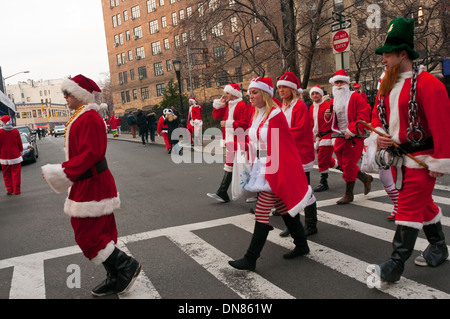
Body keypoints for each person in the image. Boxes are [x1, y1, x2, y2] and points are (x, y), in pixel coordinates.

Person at [41, 74, 141, 297]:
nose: (65, 97)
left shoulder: (88, 118)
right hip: (88, 181)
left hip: (92, 182)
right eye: (64, 93)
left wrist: (61, 172)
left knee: (88, 234)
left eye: (68, 93)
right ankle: (115, 276)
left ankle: (126, 266)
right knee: (101, 231)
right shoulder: (82, 116)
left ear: (80, 94)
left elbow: (92, 154)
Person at [366, 17, 449, 284]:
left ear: (403, 54)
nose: (383, 60)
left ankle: (394, 264)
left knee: (408, 208)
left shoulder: (429, 84)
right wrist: (380, 137)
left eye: (387, 55)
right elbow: (377, 120)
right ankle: (438, 246)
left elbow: (443, 125)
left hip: (421, 160)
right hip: (398, 159)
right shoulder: (385, 85)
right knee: (421, 206)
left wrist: (439, 162)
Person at [228, 77, 312, 271]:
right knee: (283, 207)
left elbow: (285, 146)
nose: (251, 97)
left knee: (261, 211)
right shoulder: (257, 115)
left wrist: (276, 170)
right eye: (250, 93)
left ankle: (250, 258)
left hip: (275, 167)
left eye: (255, 92)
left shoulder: (275, 115)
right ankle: (302, 244)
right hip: (263, 164)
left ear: (265, 94)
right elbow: (258, 142)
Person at [276, 72, 318, 236]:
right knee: (290, 191)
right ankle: (294, 225)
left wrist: (280, 135)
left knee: (304, 189)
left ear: (292, 89)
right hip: (288, 154)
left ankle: (311, 224)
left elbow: (299, 131)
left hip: (300, 154)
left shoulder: (299, 106)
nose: (281, 90)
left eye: (284, 87)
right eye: (279, 87)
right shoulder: (283, 106)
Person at [329, 69, 373, 204]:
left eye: (341, 82)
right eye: (336, 83)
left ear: (347, 83)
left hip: (354, 136)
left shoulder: (356, 97)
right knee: (342, 164)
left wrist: (352, 130)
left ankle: (349, 194)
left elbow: (363, 116)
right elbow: (332, 119)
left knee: (348, 164)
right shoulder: (333, 101)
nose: (338, 85)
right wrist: (328, 117)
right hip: (340, 136)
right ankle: (365, 178)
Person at [207, 83, 251, 203]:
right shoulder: (228, 106)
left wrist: (228, 123)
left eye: (227, 93)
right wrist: (219, 104)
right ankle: (222, 192)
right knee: (229, 165)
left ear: (233, 94)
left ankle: (254, 192)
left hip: (239, 140)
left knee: (245, 166)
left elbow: (245, 123)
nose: (225, 95)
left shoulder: (241, 105)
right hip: (231, 140)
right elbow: (216, 116)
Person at [309, 85, 338, 192]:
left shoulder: (327, 105)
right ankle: (350, 171)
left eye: (317, 93)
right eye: (313, 94)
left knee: (322, 159)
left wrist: (328, 116)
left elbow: (333, 121)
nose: (315, 95)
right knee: (327, 160)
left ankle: (324, 182)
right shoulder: (312, 107)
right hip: (317, 137)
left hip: (327, 136)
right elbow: (311, 123)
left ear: (321, 94)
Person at [0, 115, 23, 195]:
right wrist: (21, 151)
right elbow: (19, 143)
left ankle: (9, 189)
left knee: (6, 174)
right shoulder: (15, 131)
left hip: (4, 157)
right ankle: (17, 190)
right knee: (16, 174)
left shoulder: (0, 132)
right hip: (15, 156)